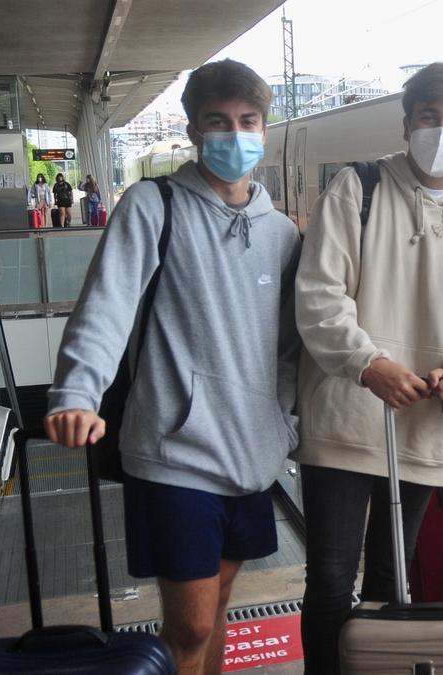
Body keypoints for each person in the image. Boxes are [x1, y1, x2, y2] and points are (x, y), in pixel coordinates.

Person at [44, 59, 301, 675]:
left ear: (265, 130)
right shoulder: (152, 207)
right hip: (175, 453)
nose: (234, 135)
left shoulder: (283, 233)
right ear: (193, 129)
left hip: (252, 454)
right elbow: (104, 308)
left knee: (217, 612)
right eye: (218, 121)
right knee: (188, 624)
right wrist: (76, 393)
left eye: (247, 121)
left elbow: (293, 346)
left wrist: (284, 424)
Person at [294, 62, 443, 674]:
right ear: (407, 121)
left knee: (395, 570)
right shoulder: (356, 189)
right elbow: (319, 296)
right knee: (333, 577)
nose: (441, 131)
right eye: (428, 118)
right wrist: (368, 364)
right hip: (343, 417)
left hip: (423, 424)